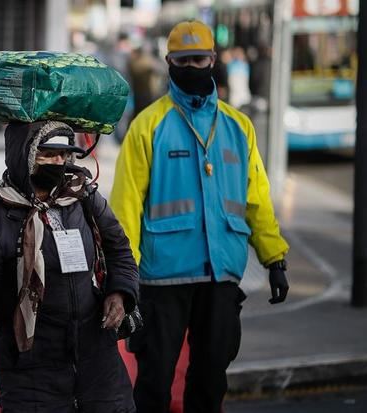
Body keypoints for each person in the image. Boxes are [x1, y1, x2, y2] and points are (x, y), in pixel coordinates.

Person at [110, 20, 290, 413]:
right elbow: (125, 208)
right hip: (161, 280)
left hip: (220, 277)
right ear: (169, 62)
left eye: (200, 59)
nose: (192, 66)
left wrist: (274, 258)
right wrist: (124, 281)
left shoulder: (238, 127)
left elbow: (256, 197)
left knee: (210, 381)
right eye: (183, 60)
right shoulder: (148, 126)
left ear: (214, 60)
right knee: (154, 382)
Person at [0, 121, 139, 412]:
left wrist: (120, 293)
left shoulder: (83, 197)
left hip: (96, 356)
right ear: (23, 156)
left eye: (64, 156)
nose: (59, 162)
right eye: (48, 154)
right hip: (29, 366)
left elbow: (119, 250)